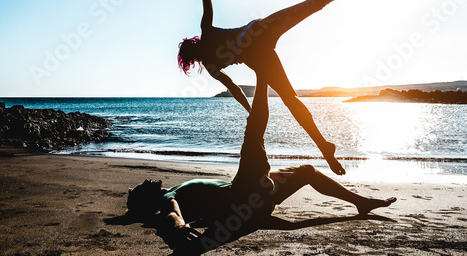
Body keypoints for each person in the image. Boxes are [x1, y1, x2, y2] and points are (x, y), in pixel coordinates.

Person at [178, 0, 412, 176]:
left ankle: (324, 146)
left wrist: (249, 109)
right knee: (313, 5)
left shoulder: (209, 63)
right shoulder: (206, 35)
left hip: (257, 50)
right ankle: (324, 146)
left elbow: (234, 88)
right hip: (259, 33)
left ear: (191, 60)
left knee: (290, 96)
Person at [126, 77, 397, 251]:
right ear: (147, 199)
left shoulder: (176, 190)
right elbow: (172, 213)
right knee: (253, 132)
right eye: (141, 187)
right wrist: (179, 226)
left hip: (254, 197)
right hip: (243, 196)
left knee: (307, 172)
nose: (145, 181)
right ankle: (263, 72)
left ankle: (360, 202)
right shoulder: (169, 197)